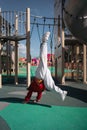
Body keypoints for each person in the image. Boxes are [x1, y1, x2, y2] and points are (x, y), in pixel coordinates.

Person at [23, 32, 67, 103]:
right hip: (44, 75)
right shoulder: (40, 86)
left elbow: (31, 92)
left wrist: (26, 100)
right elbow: (33, 93)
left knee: (43, 59)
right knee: (50, 86)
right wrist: (35, 100)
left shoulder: (34, 85)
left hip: (39, 74)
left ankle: (44, 41)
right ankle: (62, 92)